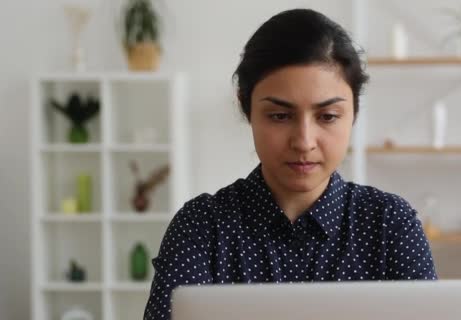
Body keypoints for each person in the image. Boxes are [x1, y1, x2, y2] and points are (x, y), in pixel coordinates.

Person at [144, 8, 437, 320]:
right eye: (280, 116)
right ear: (247, 108)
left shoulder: (390, 224)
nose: (304, 141)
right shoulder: (202, 227)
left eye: (327, 117)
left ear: (354, 114)